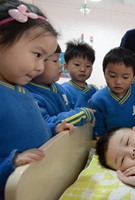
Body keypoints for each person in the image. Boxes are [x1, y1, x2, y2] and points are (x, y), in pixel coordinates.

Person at [0, 1, 74, 199]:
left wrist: (52, 129)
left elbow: (25, 130)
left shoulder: (21, 90)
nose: (41, 67)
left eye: (45, 59)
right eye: (37, 54)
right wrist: (10, 163)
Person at [24, 44, 95, 127]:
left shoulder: (59, 89)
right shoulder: (30, 95)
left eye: (59, 60)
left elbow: (68, 111)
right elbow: (45, 124)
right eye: (55, 60)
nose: (60, 65)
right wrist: (81, 114)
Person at [89, 47, 135, 138]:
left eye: (125, 77)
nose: (118, 82)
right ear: (104, 73)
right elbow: (98, 131)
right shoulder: (98, 99)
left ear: (134, 76)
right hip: (112, 146)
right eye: (112, 76)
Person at [61, 39, 97, 109]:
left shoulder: (94, 91)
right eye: (77, 65)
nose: (83, 69)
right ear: (66, 67)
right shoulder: (63, 90)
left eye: (88, 66)